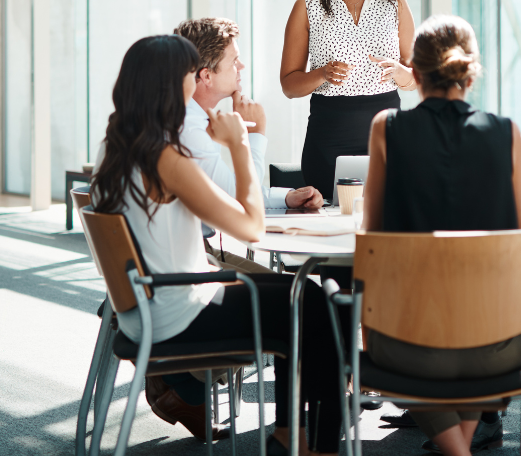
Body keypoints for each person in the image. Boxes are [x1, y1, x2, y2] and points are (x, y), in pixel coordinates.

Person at [91, 35, 342, 456]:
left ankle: (290, 433)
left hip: (138, 310)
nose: (196, 84)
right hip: (178, 312)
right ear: (174, 84)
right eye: (191, 75)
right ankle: (318, 445)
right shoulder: (164, 157)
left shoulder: (113, 149)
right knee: (310, 303)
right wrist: (241, 145)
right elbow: (249, 227)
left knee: (294, 299)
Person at [361, 15, 521, 456]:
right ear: (470, 71)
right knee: (472, 328)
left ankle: (457, 451)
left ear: (413, 73)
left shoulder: (387, 127)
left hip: (408, 341)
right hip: (499, 343)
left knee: (398, 329)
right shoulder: (506, 132)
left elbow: (373, 237)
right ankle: (461, 446)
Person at [281, 0, 418, 200]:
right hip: (328, 134)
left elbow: (417, 77)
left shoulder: (396, 3)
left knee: (387, 215)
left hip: (387, 132)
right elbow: (289, 85)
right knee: (329, 214)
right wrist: (321, 74)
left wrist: (399, 72)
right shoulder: (307, 6)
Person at [174, 17, 325, 266]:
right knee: (304, 293)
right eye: (234, 61)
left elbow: (232, 190)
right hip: (190, 271)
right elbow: (243, 203)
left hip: (194, 257)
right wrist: (253, 137)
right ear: (207, 76)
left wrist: (287, 198)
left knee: (299, 289)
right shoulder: (189, 129)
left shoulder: (193, 119)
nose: (241, 66)